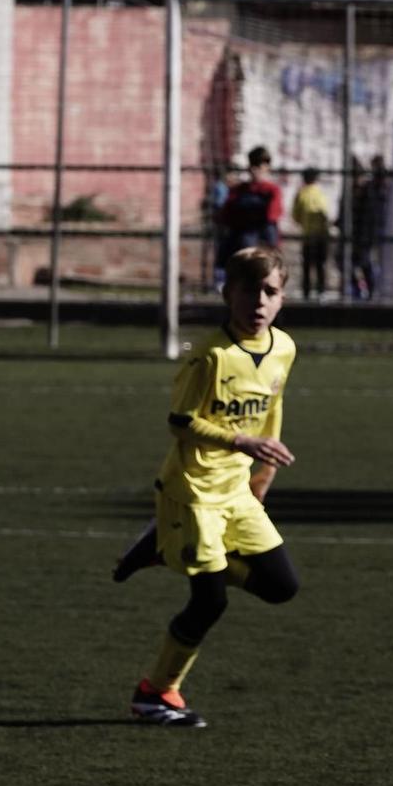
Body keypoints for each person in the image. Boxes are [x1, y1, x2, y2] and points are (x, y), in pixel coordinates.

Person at [112, 245, 301, 727]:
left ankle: (162, 546)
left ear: (282, 298)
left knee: (281, 586)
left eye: (269, 291)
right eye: (247, 290)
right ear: (226, 294)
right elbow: (179, 422)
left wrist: (263, 475)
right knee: (209, 600)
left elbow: (270, 414)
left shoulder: (284, 347)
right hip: (192, 492)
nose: (257, 302)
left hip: (237, 492)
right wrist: (239, 439)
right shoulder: (207, 356)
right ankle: (155, 693)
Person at [217, 147, 283, 277]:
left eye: (260, 165)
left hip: (262, 240)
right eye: (253, 165)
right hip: (241, 239)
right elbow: (226, 215)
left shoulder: (271, 190)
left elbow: (272, 215)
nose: (256, 170)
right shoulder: (240, 190)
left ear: (267, 167)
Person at [350, 154, 390, 300]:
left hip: (369, 231)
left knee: (366, 261)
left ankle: (370, 291)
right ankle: (368, 291)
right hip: (367, 230)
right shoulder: (373, 187)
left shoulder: (375, 188)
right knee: (363, 261)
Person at [290, 167, 333, 299]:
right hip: (321, 235)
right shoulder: (321, 194)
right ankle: (321, 291)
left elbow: (295, 215)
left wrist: (304, 223)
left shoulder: (301, 194)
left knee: (307, 265)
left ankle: (306, 292)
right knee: (320, 264)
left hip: (307, 235)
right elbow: (326, 214)